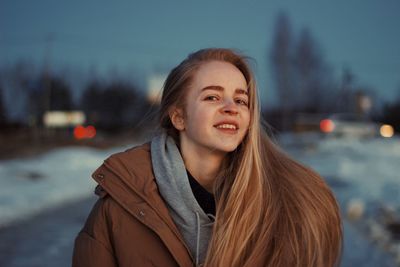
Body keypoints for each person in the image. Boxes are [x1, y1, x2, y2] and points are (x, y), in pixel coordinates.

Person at [72, 48, 342, 267]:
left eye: (241, 100)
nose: (231, 108)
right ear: (179, 117)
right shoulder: (117, 210)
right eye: (212, 97)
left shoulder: (277, 205)